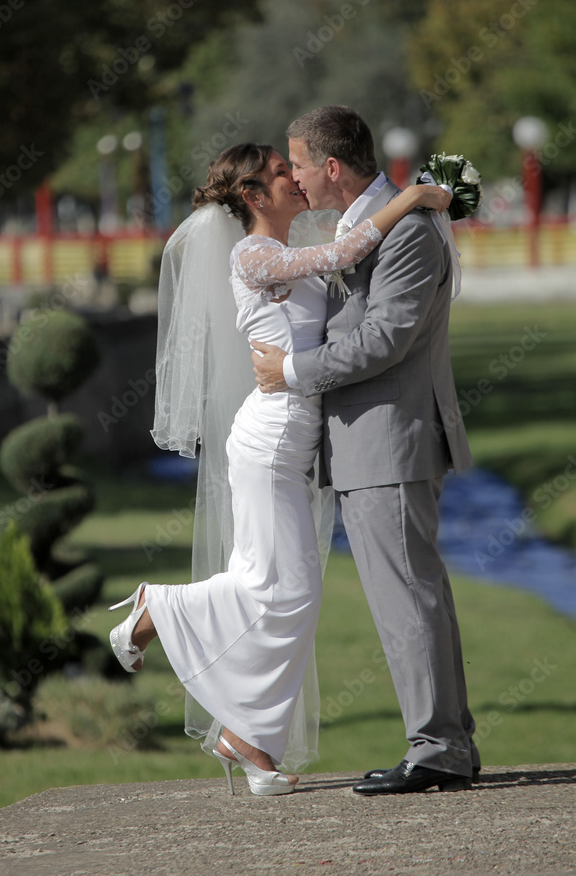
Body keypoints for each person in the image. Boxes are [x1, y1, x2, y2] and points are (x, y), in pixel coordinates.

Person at [108, 142, 451, 796]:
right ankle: (158, 609)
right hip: (268, 440)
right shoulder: (252, 254)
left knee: (280, 588)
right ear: (253, 199)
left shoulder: (291, 246)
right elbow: (338, 256)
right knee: (283, 591)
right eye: (277, 172)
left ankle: (249, 743)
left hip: (291, 440)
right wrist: (409, 196)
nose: (293, 178)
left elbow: (344, 256)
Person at [252, 106, 479, 796]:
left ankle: (438, 746)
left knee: (406, 597)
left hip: (389, 438)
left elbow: (385, 339)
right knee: (410, 595)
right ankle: (445, 742)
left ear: (328, 167)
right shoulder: (368, 225)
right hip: (371, 442)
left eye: (294, 163)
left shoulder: (405, 230)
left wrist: (290, 371)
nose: (289, 175)